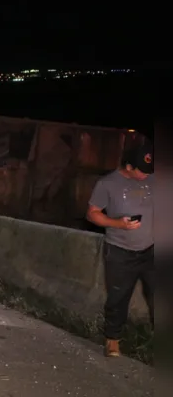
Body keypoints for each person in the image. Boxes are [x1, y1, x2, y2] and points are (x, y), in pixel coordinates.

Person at [86, 143, 154, 358]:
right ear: (128, 166)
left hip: (152, 250)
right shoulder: (107, 184)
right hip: (120, 252)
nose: (146, 176)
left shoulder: (153, 178)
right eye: (142, 172)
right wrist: (119, 224)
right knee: (118, 298)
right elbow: (92, 214)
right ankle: (112, 340)